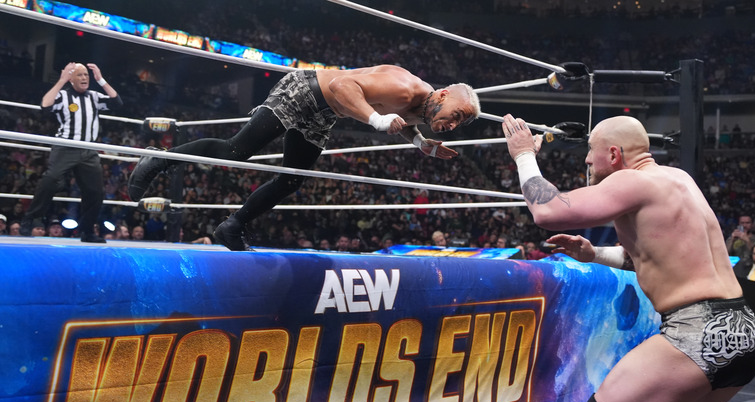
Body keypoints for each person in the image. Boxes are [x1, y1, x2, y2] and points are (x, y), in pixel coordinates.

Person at [502, 114, 755, 402]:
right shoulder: (678, 179)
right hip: (746, 331)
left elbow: (548, 211)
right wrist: (593, 254)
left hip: (698, 333)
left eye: (590, 150)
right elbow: (655, 256)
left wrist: (523, 155)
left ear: (613, 154)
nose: (586, 159)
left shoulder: (631, 181)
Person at [128, 65, 480, 251]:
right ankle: (158, 158)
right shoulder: (406, 88)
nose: (453, 123)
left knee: (292, 178)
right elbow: (343, 86)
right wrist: (375, 119)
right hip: (304, 90)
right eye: (457, 113)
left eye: (461, 122)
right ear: (445, 94)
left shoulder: (424, 109)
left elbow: (399, 122)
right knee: (237, 151)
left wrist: (420, 142)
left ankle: (233, 226)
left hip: (324, 113)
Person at [20, 62, 122, 243]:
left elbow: (117, 103)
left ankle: (87, 231)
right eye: (80, 75)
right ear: (71, 79)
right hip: (65, 146)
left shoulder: (94, 96)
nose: (84, 78)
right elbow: (45, 106)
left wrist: (100, 79)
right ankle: (30, 219)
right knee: (51, 180)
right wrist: (61, 81)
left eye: (86, 75)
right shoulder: (63, 95)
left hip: (88, 150)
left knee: (96, 192)